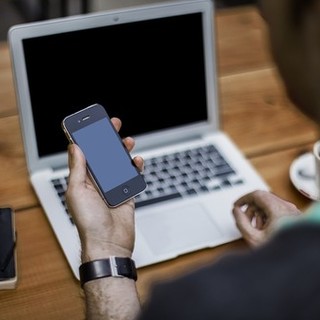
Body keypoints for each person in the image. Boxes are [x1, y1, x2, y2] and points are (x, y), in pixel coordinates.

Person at [65, 0, 320, 319]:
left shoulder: (200, 302)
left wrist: (106, 250)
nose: (264, 16)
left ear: (310, 17)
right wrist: (292, 239)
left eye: (267, 9)